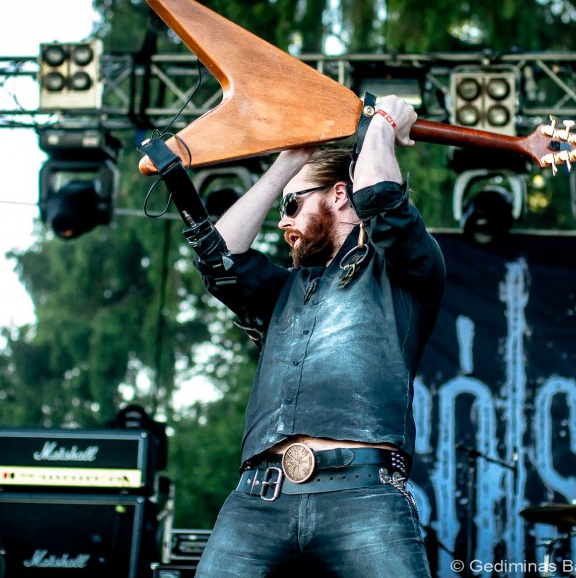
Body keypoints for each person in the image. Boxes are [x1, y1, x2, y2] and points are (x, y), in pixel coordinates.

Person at [185, 95, 446, 577]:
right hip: (257, 499)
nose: (282, 221)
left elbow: (382, 201)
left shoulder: (403, 273)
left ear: (340, 194)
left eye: (292, 204)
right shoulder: (282, 289)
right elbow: (219, 257)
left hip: (364, 495)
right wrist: (291, 161)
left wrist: (382, 123)